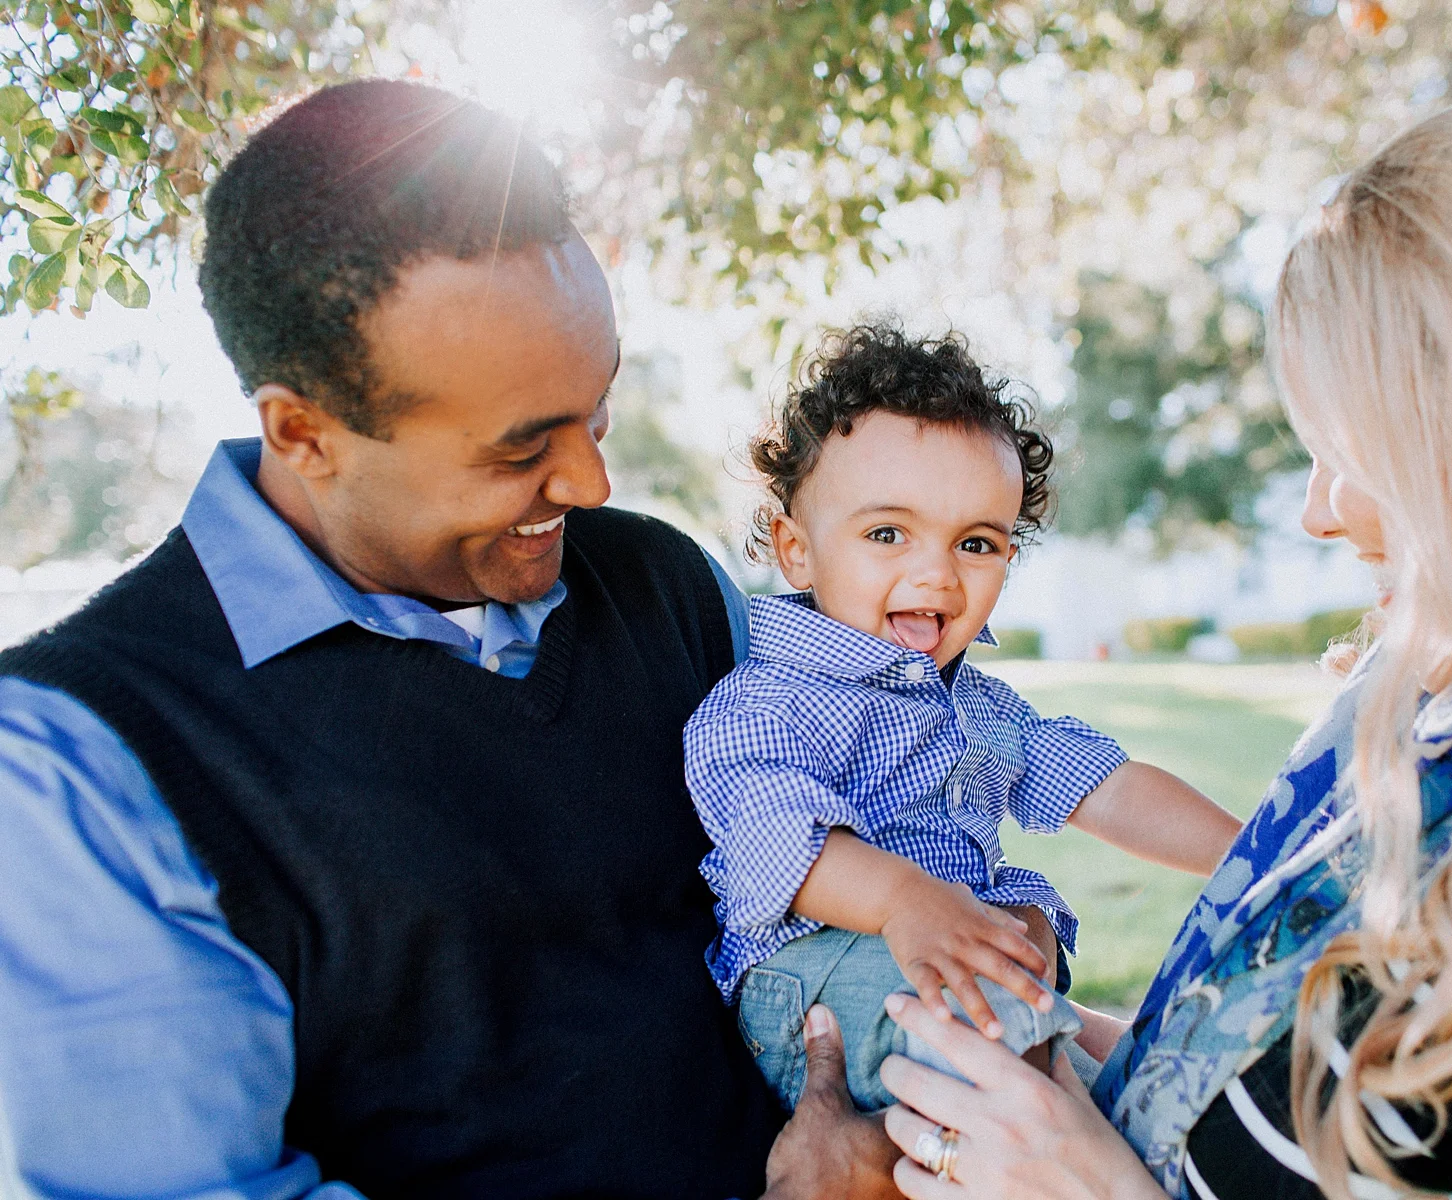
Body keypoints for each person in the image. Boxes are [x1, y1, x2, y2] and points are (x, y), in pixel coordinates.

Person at [869, 90, 1452, 1199]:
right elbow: (1270, 1091)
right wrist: (1046, 1065)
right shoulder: (1440, 720)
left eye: (1346, 447)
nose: (1320, 512)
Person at [0, 80, 898, 1200]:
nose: (590, 483)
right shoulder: (77, 768)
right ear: (304, 432)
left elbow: (851, 887)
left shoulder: (672, 590)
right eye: (522, 450)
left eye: (598, 410)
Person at [684, 325, 1242, 1113]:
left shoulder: (974, 705)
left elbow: (1107, 789)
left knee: (1130, 1064)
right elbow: (780, 848)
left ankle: (1124, 1095)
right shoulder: (770, 699)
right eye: (887, 533)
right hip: (818, 979)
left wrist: (1255, 854)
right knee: (1024, 1057)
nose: (937, 573)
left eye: (976, 543)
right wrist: (907, 902)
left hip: (948, 971)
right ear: (796, 549)